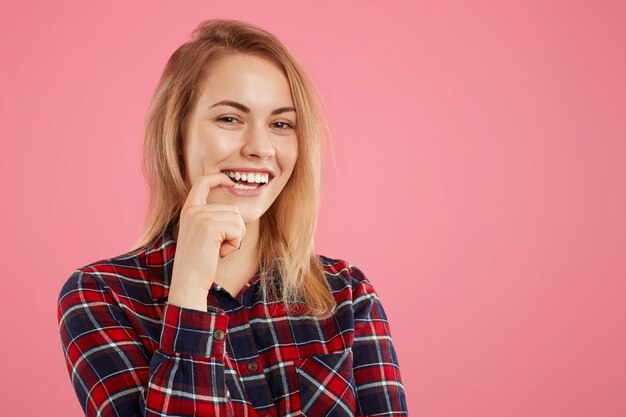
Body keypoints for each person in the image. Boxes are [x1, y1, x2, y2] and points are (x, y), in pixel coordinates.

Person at [57, 18, 408, 417]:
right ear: (178, 134)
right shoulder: (102, 296)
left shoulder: (347, 294)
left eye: (281, 124)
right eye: (230, 118)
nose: (261, 148)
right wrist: (188, 291)